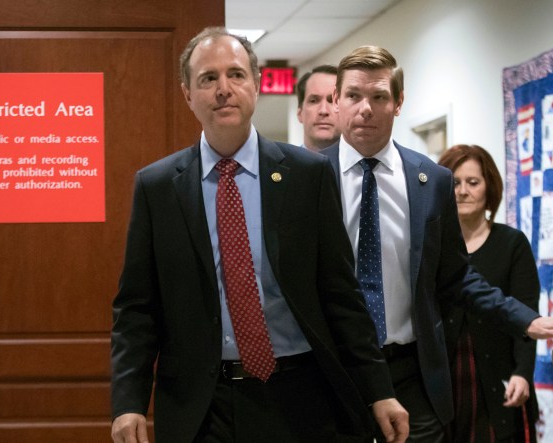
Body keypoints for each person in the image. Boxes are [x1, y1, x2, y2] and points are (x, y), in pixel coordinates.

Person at [110, 28, 409, 443]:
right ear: (187, 94)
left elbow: (341, 294)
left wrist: (379, 391)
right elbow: (137, 310)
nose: (223, 89)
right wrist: (128, 402)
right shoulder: (158, 187)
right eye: (207, 79)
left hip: (300, 397)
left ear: (256, 83)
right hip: (202, 405)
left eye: (235, 74)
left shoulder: (307, 176)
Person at [319, 45, 553, 442]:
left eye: (379, 96)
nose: (365, 108)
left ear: (398, 102)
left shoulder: (431, 180)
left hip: (412, 371)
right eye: (353, 95)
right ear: (336, 100)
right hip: (335, 371)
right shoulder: (308, 177)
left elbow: (456, 277)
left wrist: (526, 319)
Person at [438, 144, 538, 442]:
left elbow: (525, 314)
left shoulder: (512, 244)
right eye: (454, 183)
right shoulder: (433, 247)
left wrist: (523, 372)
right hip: (446, 380)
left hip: (500, 379)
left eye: (473, 182)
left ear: (488, 187)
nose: (462, 191)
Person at [296, 64, 341, 151]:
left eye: (332, 101)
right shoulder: (275, 164)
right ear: (300, 113)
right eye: (313, 101)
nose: (323, 111)